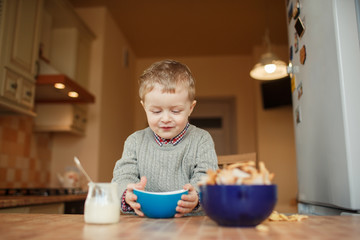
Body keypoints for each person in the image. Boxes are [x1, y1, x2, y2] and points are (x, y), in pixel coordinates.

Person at [112, 60, 218, 217]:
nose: (166, 119)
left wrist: (196, 195)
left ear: (190, 108)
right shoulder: (134, 141)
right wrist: (127, 193)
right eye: (156, 111)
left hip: (189, 224)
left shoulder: (201, 139)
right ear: (144, 107)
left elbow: (207, 176)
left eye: (175, 111)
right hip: (144, 224)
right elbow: (123, 176)